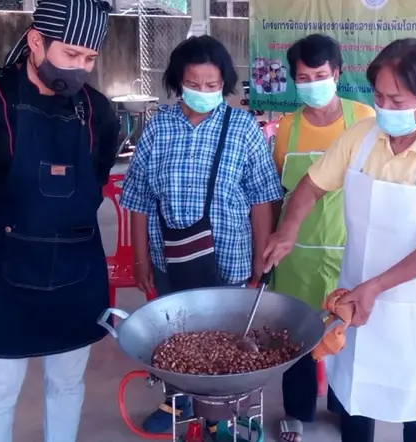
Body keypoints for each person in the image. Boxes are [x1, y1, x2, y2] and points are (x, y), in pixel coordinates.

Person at [263, 38, 416, 442]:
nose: (385, 109)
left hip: (415, 308)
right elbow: (310, 186)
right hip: (355, 297)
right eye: (379, 97)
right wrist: (288, 230)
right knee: (354, 397)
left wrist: (376, 286)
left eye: (397, 101)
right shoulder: (361, 135)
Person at [0, 2, 119, 441]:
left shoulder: (99, 113)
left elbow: (95, 179)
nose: (80, 68)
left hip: (77, 272)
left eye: (89, 59)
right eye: (71, 55)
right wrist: (9, 235)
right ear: (36, 41)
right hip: (3, 278)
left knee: (68, 383)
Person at [119, 35, 283, 434]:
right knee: (177, 336)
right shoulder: (158, 128)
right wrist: (140, 262)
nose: (204, 92)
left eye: (213, 85)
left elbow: (263, 197)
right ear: (178, 81)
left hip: (228, 257)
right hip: (169, 257)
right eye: (195, 84)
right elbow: (138, 197)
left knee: (226, 340)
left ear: (224, 84)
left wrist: (263, 256)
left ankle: (220, 413)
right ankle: (177, 402)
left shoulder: (242, 127)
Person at [270, 34, 375, 442]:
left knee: (347, 338)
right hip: (295, 256)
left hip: (349, 252)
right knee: (294, 336)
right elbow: (280, 191)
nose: (312, 83)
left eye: (320, 75)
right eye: (303, 77)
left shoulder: (363, 118)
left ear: (337, 73)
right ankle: (298, 413)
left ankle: (350, 414)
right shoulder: (287, 129)